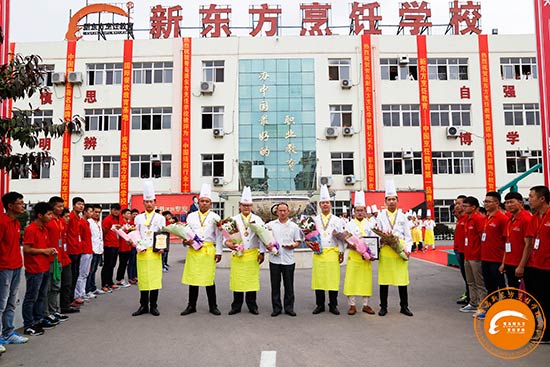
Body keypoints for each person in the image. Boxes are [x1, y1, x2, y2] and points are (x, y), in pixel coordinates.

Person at [180, 184, 222, 316]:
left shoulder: (215, 217)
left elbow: (219, 236)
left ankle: (213, 306)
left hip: (208, 250)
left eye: (207, 201)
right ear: (198, 202)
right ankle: (191, 306)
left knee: (209, 279)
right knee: (194, 279)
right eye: (202, 201)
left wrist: (219, 252)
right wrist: (185, 242)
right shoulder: (191, 216)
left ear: (210, 203)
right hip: (194, 250)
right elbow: (186, 233)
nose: (204, 203)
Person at [376, 180, 413, 317]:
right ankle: (383, 307)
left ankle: (404, 306)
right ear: (385, 201)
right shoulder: (380, 216)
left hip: (399, 252)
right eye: (389, 199)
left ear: (397, 200)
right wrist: (382, 241)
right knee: (384, 281)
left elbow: (408, 236)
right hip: (386, 251)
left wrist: (407, 250)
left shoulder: (403, 216)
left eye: (393, 199)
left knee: (402, 281)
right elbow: (376, 232)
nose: (391, 202)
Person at [226, 186, 265, 315]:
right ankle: (236, 306)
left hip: (252, 254)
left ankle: (252, 305)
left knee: (251, 281)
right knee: (237, 280)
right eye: (244, 205)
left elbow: (262, 237)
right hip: (238, 254)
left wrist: (262, 252)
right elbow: (226, 237)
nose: (246, 207)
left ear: (252, 206)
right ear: (240, 206)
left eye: (248, 205)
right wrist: (228, 244)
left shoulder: (257, 219)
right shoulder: (233, 220)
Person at [307, 184, 344, 315]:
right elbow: (309, 236)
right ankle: (320, 305)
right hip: (319, 253)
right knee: (319, 280)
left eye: (327, 203)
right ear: (320, 205)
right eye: (322, 203)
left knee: (333, 280)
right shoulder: (314, 220)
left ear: (331, 204)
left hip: (332, 252)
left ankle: (333, 305)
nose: (325, 205)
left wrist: (341, 252)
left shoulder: (337, 220)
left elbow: (341, 238)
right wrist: (310, 244)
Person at [22, 202, 57, 336]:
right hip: (34, 268)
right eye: (48, 214)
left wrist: (48, 251)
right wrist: (44, 251)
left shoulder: (44, 229)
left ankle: (38, 319)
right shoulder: (31, 229)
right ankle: (28, 324)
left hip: (44, 266)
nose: (51, 217)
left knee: (41, 296)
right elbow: (27, 249)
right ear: (40, 215)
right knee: (31, 297)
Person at [132, 181, 166, 317]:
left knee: (155, 279)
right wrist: (134, 243)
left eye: (151, 201)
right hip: (142, 252)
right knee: (144, 280)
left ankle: (154, 306)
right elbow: (135, 233)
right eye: (146, 202)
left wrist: (162, 248)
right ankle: (143, 305)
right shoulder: (139, 218)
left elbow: (163, 234)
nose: (149, 204)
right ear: (143, 202)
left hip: (155, 252)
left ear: (155, 201)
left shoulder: (160, 218)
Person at [0, 192, 29, 349]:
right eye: (19, 203)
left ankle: (8, 333)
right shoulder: (2, 222)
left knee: (11, 301)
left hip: (16, 266)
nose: (22, 205)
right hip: (4, 268)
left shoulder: (16, 223)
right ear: (10, 206)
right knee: (1, 302)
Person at [522, 186, 550, 344]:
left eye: (531, 196)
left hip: (547, 267)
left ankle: (547, 333)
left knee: (547, 301)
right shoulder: (534, 218)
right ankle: (540, 328)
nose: (529, 199)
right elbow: (529, 243)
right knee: (537, 300)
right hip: (534, 266)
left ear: (542, 198)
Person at [267, 202, 301, 317]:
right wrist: (268, 247)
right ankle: (276, 308)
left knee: (289, 285)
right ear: (276, 212)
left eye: (284, 210)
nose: (282, 212)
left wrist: (293, 245)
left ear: (288, 212)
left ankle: (289, 308)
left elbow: (298, 241)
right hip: (274, 260)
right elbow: (265, 239)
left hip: (288, 260)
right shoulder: (271, 225)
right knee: (275, 285)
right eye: (280, 210)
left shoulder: (294, 226)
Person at [343, 191, 375, 316]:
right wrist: (353, 246)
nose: (360, 212)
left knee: (366, 281)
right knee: (351, 280)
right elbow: (345, 240)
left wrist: (372, 253)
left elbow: (374, 240)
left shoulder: (370, 224)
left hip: (366, 258)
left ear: (365, 211)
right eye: (357, 210)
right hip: (353, 257)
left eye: (362, 210)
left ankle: (366, 305)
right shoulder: (349, 224)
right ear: (354, 212)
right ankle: (352, 305)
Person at [44, 196, 73, 325]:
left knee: (56, 286)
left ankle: (54, 310)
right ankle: (47, 313)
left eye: (62, 206)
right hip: (50, 258)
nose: (61, 209)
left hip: (59, 257)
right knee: (48, 287)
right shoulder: (48, 221)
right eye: (59, 206)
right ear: (52, 206)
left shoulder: (60, 220)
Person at [460, 196, 486, 317]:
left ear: (474, 207)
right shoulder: (467, 218)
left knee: (479, 282)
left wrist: (481, 254)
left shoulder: (478, 219)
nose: (463, 208)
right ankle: (473, 303)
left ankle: (483, 305)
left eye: (465, 206)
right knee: (470, 281)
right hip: (468, 255)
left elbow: (482, 238)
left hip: (476, 256)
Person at [499, 192, 531, 289]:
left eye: (512, 202)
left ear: (521, 203)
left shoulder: (526, 219)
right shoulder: (510, 220)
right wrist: (504, 263)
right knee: (513, 292)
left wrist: (521, 266)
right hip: (510, 263)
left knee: (523, 294)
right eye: (507, 203)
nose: (509, 205)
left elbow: (529, 245)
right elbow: (507, 243)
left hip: (521, 264)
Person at [480, 192, 507, 303]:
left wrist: (504, 262)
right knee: (489, 286)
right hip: (485, 258)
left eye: (488, 201)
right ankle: (492, 308)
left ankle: (507, 308)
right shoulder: (486, 218)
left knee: (501, 286)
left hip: (497, 259)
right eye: (485, 201)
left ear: (497, 203)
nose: (485, 204)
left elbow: (507, 241)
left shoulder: (502, 219)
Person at [66, 197, 84, 306]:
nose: (81, 206)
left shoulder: (78, 217)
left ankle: (73, 297)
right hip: (71, 249)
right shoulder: (71, 217)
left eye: (82, 204)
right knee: (71, 276)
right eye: (79, 204)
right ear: (73, 205)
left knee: (76, 275)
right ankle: (69, 299)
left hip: (77, 249)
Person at [75, 205, 94, 302]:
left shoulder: (87, 223)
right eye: (90, 211)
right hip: (84, 251)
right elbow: (80, 238)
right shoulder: (81, 223)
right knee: (81, 274)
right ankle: (78, 294)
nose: (92, 213)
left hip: (89, 250)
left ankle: (83, 292)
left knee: (86, 273)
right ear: (85, 212)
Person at [101, 203, 122, 292]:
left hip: (116, 244)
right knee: (107, 265)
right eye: (114, 209)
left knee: (112, 265)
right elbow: (104, 232)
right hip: (108, 245)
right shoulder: (107, 219)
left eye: (118, 210)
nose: (116, 211)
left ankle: (110, 282)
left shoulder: (118, 219)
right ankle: (104, 284)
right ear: (111, 210)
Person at [452, 195, 469, 305]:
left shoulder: (468, 218)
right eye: (456, 203)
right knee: (465, 275)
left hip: (466, 251)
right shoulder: (460, 219)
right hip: (458, 250)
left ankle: (470, 296)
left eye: (459, 203)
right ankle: (467, 294)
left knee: (469, 277)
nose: (457, 206)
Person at [86, 204, 104, 297]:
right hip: (92, 249)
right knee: (90, 271)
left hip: (99, 249)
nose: (97, 214)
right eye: (95, 212)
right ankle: (87, 289)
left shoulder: (99, 222)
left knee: (94, 270)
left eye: (99, 212)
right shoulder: (89, 222)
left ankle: (93, 287)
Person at [115, 209, 133, 288]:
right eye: (128, 213)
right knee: (122, 264)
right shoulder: (121, 224)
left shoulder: (127, 223)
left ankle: (120, 278)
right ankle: (120, 279)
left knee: (125, 263)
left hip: (128, 247)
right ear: (123, 215)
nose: (129, 215)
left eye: (130, 213)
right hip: (122, 247)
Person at [127, 208, 139, 284]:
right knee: (131, 262)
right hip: (131, 246)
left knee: (136, 262)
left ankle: (135, 276)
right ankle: (130, 277)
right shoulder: (129, 224)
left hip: (137, 246)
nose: (135, 215)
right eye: (133, 214)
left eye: (136, 214)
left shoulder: (138, 224)